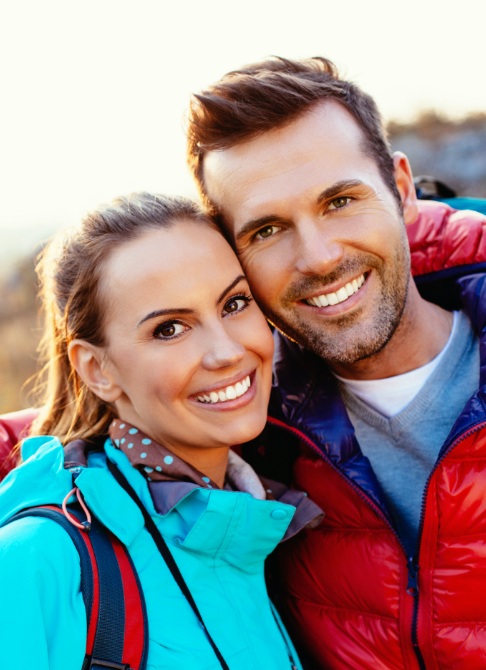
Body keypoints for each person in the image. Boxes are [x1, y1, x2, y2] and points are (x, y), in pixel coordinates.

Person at [185, 56, 486, 669]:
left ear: (402, 191)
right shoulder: (244, 430)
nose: (318, 258)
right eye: (267, 231)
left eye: (341, 200)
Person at [0, 192, 321, 669]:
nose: (227, 351)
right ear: (97, 368)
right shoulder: (35, 561)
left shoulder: (254, 524)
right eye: (170, 329)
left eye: (234, 303)